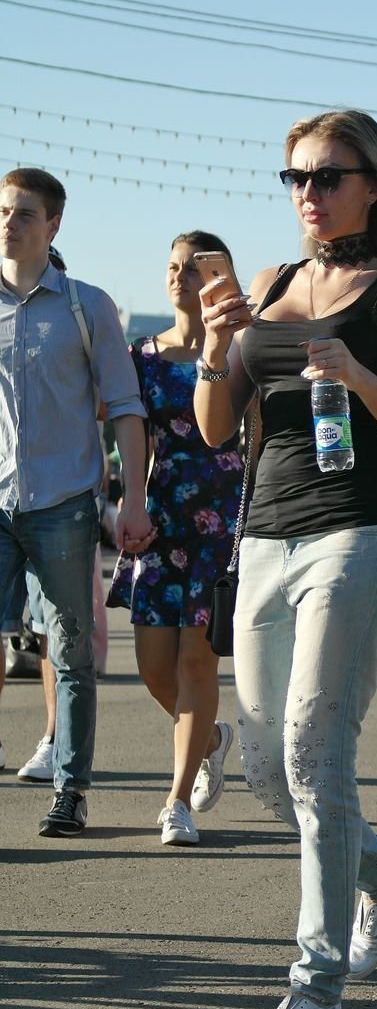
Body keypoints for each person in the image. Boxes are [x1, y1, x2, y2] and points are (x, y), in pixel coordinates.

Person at [194, 109, 377, 1009]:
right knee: (269, 769)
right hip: (265, 537)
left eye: (328, 175)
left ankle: (317, 985)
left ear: (372, 186)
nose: (309, 192)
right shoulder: (271, 282)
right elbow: (217, 429)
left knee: (315, 756)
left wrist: (362, 380)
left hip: (358, 533)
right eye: (296, 177)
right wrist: (211, 346)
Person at [0, 167, 154, 837]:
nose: (9, 223)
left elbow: (125, 407)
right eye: (2, 211)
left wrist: (133, 499)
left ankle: (71, 789)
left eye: (24, 213)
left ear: (53, 224)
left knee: (71, 654)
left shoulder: (86, 307)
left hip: (63, 503)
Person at [107, 232, 244, 847]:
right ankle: (212, 738)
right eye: (172, 266)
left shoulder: (242, 348)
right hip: (162, 517)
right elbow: (132, 435)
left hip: (225, 518)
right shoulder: (142, 355)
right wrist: (130, 498)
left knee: (196, 660)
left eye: (194, 268)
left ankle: (177, 801)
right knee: (153, 667)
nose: (180, 276)